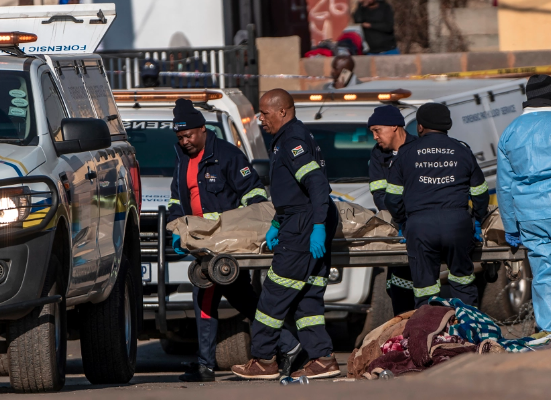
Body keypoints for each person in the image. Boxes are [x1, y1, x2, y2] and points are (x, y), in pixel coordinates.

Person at [168, 99, 301, 382]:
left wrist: (245, 227)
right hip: (202, 245)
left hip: (228, 244)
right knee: (243, 300)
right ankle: (289, 344)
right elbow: (177, 199)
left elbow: (254, 194)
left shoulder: (228, 156)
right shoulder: (182, 159)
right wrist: (177, 229)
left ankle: (206, 366)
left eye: (189, 135)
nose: (185, 141)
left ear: (202, 130)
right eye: (180, 137)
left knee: (208, 298)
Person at [231, 89, 341, 380]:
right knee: (307, 297)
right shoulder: (289, 138)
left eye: (265, 113)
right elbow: (294, 191)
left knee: (273, 295)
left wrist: (316, 226)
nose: (260, 118)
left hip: (304, 225)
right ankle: (322, 358)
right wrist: (278, 222)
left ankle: (264, 359)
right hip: (301, 220)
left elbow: (317, 184)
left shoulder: (292, 140)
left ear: (283, 111)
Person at [384, 103, 489, 308]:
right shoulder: (462, 150)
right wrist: (478, 219)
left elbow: (392, 198)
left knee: (425, 289)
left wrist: (404, 222)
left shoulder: (406, 154)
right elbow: (480, 192)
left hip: (420, 227)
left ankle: (429, 333)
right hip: (457, 225)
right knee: (463, 281)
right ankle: (468, 331)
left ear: (420, 126)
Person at [497, 74, 551, 334]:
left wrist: (510, 225)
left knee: (542, 272)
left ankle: (548, 329)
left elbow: (504, 185)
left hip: (529, 214)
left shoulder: (510, 131)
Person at [367, 105, 416, 315]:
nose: (375, 136)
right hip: (397, 229)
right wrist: (399, 217)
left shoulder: (418, 148)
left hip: (421, 227)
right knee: (397, 286)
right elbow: (379, 195)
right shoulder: (378, 155)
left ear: (395, 126)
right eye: (372, 132)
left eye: (378, 130)